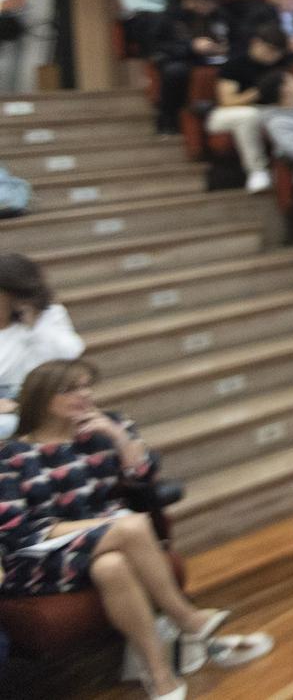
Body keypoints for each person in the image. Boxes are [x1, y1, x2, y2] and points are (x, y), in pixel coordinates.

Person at [0, 359, 273, 698]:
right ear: (42, 398)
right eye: (70, 389)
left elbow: (145, 479)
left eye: (87, 386)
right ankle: (188, 621)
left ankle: (158, 677)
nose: (84, 395)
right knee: (132, 525)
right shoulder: (13, 456)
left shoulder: (106, 428)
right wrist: (105, 525)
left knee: (111, 565)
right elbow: (17, 530)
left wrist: (115, 436)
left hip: (110, 545)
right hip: (44, 556)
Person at [0, 254, 85, 440]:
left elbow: (70, 354)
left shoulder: (49, 318)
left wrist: (34, 325)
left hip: (40, 396)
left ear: (14, 295)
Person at [209, 23, 290, 192]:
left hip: (267, 110)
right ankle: (257, 170)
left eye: (278, 52)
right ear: (256, 43)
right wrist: (256, 93)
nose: (273, 56)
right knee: (249, 115)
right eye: (269, 50)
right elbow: (226, 100)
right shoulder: (235, 64)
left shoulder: (281, 65)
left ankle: (288, 167)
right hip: (227, 114)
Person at [147, 0, 231, 137]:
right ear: (192, 0)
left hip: (215, 58)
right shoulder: (173, 17)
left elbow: (232, 37)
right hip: (182, 58)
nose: (206, 8)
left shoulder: (220, 15)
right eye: (202, 3)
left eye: (211, 4)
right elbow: (161, 46)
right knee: (175, 72)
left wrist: (223, 47)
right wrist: (191, 47)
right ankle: (168, 119)